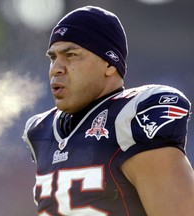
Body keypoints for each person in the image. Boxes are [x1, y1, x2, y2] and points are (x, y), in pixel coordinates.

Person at [22, 5, 194, 216]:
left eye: (71, 55)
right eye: (53, 57)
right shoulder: (41, 133)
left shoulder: (132, 118)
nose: (56, 68)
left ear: (109, 64)